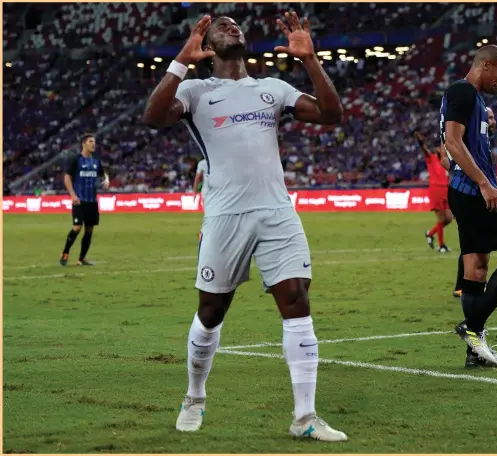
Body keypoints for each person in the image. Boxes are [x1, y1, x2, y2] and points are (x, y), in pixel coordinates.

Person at [142, 13, 347, 441]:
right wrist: (180, 58)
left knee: (297, 299)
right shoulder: (196, 91)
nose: (232, 27)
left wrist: (311, 59)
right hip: (224, 216)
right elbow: (153, 117)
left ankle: (305, 416)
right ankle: (195, 396)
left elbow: (331, 114)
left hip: (276, 211)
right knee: (211, 311)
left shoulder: (272, 89)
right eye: (221, 25)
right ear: (208, 45)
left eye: (236, 24)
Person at [440, 45, 497, 369]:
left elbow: (462, 150)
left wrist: (494, 179)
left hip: (467, 190)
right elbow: (451, 143)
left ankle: (474, 354)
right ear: (487, 65)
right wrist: (483, 183)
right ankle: (473, 327)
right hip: (472, 192)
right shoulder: (464, 92)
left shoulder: (473, 99)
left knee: (475, 270)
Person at [452, 107, 497, 300]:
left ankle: (466, 288)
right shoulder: (469, 142)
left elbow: (488, 176)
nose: (492, 121)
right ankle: (470, 295)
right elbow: (448, 161)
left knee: (473, 247)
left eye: (493, 117)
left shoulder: (482, 142)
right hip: (469, 197)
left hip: (475, 195)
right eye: (489, 118)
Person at [59, 132, 109, 266]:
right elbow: (67, 178)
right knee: (77, 227)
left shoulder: (96, 161)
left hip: (92, 201)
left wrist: (106, 180)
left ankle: (81, 259)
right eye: (90, 142)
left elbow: (104, 174)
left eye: (94, 142)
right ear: (84, 144)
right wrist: (73, 195)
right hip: (79, 200)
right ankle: (65, 253)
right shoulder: (75, 159)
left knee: (89, 229)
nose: (94, 144)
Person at [414, 131, 452, 253]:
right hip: (436, 189)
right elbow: (425, 150)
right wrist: (421, 143)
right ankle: (441, 246)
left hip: (446, 190)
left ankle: (430, 234)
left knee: (448, 218)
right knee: (441, 219)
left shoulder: (446, 162)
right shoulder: (431, 159)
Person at [193, 158, 207, 241]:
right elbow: (198, 178)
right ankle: (203, 234)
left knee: (209, 214)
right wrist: (195, 192)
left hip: (208, 193)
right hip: (209, 193)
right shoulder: (219, 160)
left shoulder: (202, 163)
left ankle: (203, 234)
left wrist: (195, 192)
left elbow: (197, 177)